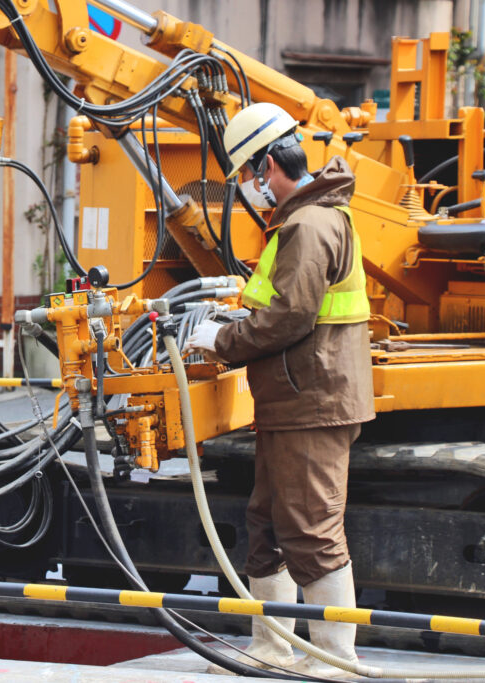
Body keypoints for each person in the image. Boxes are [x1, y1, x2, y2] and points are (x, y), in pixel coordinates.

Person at [185, 102, 374, 678]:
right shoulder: (300, 221)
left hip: (313, 402)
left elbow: (290, 317)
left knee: (312, 530)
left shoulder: (310, 224)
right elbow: (278, 304)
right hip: (294, 400)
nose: (248, 188)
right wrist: (228, 320)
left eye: (248, 175)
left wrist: (219, 339)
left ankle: (336, 660)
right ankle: (273, 649)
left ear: (270, 165)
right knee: (268, 524)